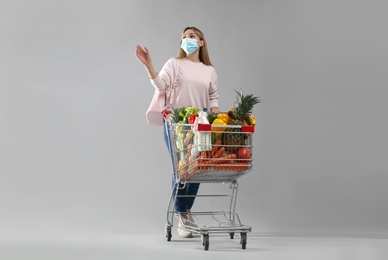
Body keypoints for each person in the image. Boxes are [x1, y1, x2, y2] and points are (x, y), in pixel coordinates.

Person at [135, 26, 221, 238]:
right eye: (184, 37)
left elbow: (213, 97)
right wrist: (149, 66)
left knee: (198, 168)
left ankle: (185, 212)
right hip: (176, 121)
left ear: (201, 42)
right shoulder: (174, 64)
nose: (187, 40)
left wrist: (218, 112)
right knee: (182, 169)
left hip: (199, 122)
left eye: (191, 36)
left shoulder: (209, 70)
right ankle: (183, 215)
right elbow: (161, 86)